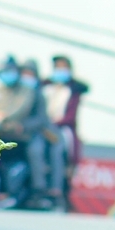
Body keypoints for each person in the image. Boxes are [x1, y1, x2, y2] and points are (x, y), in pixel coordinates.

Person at [0, 57, 51, 206]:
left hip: (31, 133)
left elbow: (40, 119)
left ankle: (38, 189)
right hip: (7, 132)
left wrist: (23, 126)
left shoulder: (34, 93)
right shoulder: (1, 91)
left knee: (35, 151)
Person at [43, 55, 90, 193]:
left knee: (57, 149)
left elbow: (70, 117)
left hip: (62, 128)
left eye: (63, 68)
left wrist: (53, 123)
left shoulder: (73, 90)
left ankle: (56, 187)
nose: (60, 71)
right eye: (57, 67)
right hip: (42, 128)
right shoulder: (46, 88)